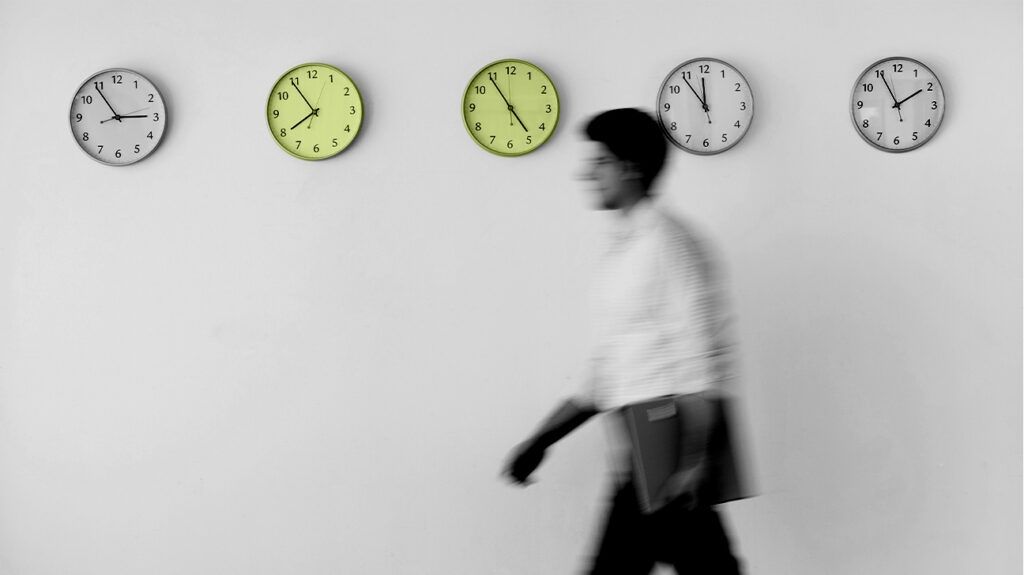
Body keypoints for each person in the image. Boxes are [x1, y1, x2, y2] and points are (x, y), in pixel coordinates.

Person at [503, 108, 747, 574]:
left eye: (599, 162)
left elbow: (703, 358)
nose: (585, 173)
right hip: (641, 457)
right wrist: (541, 440)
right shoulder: (625, 250)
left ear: (630, 168)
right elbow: (605, 374)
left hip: (666, 456)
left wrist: (695, 460)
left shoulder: (667, 245)